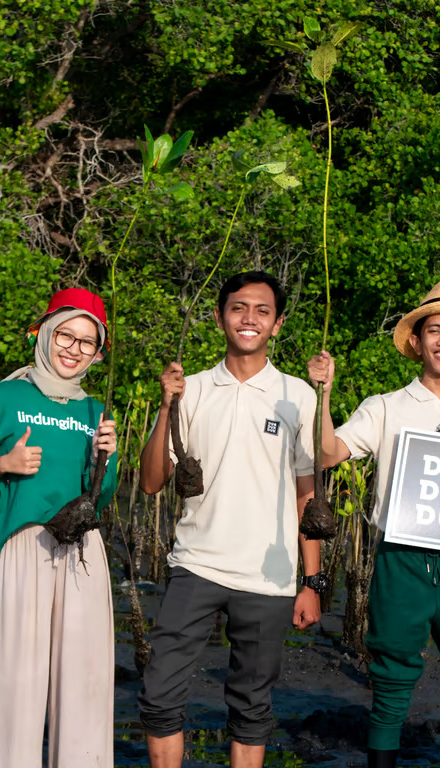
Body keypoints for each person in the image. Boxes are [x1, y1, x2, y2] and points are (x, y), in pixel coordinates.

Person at [307, 280, 440, 768]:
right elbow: (327, 452)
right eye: (433, 330)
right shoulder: (383, 407)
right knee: (392, 681)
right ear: (415, 341)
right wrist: (323, 394)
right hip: (401, 562)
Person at [137, 270, 324, 768]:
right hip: (195, 564)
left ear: (278, 325)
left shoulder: (297, 395)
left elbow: (308, 496)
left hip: (268, 579)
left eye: (262, 311)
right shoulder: (191, 389)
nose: (249, 319)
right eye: (239, 308)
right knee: (158, 696)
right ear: (221, 317)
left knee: (251, 709)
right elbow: (153, 481)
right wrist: (166, 408)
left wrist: (313, 581)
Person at [0, 287, 119, 767]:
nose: (73, 348)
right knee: (15, 686)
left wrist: (106, 461)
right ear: (45, 333)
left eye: (87, 342)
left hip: (83, 556)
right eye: (65, 335)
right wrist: (2, 463)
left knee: (85, 686)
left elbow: (101, 498)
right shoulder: (3, 397)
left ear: (97, 352)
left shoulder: (96, 411)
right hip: (20, 549)